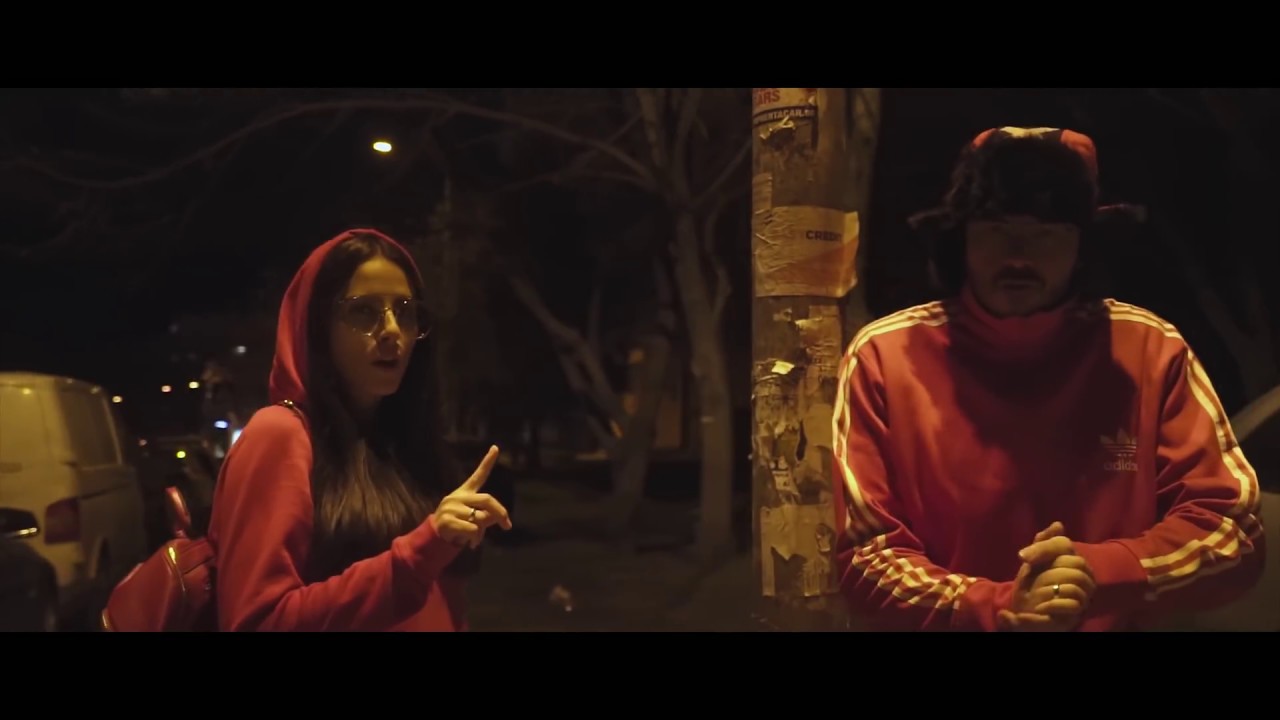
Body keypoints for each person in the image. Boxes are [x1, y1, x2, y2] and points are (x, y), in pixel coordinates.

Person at [831, 127, 1265, 632]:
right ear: (960, 240)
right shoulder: (885, 356)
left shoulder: (1149, 349)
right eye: (995, 228)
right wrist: (996, 606)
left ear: (1083, 245)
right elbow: (864, 553)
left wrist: (1100, 571)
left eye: (1047, 232)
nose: (1019, 255)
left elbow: (1233, 532)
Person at [206, 228, 512, 631]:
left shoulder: (402, 443)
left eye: (405, 311)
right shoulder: (280, 435)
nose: (391, 329)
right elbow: (258, 621)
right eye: (364, 311)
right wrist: (417, 555)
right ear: (318, 327)